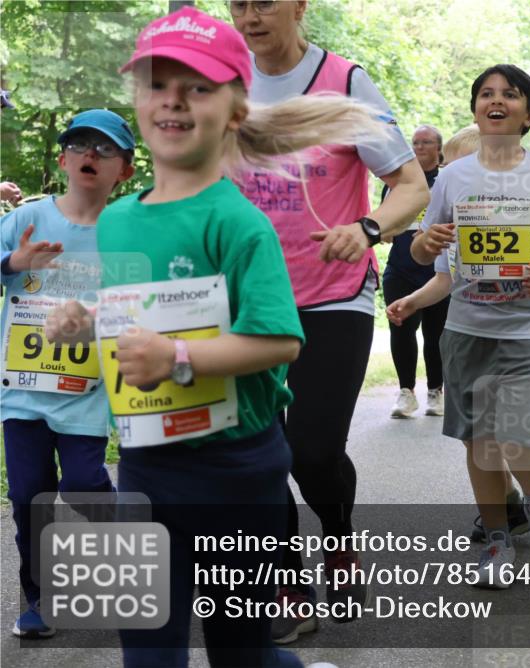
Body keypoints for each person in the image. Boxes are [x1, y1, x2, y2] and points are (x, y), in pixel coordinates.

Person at [45, 7, 382, 666]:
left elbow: (280, 342)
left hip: (236, 471)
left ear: (234, 109)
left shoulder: (239, 223)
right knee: (147, 649)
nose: (172, 99)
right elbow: (127, 319)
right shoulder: (115, 221)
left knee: (242, 653)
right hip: (143, 463)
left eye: (196, 85)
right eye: (154, 83)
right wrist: (83, 324)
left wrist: (176, 357)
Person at [228, 0, 430, 641]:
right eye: (238, 2)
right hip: (245, 302)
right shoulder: (222, 79)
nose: (251, 15)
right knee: (256, 458)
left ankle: (339, 542)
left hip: (332, 296)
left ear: (298, 6)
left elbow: (411, 183)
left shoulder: (343, 82)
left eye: (264, 1)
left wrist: (368, 227)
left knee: (311, 453)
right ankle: (286, 583)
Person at [407, 64, 530, 587]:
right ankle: (495, 542)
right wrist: (426, 244)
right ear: (475, 110)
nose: (496, 101)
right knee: (480, 442)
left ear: (527, 113)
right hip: (468, 326)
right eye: (486, 94)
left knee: (513, 435)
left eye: (509, 95)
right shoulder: (452, 177)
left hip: (529, 326)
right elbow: (430, 249)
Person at [1, 109, 135, 639]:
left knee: (83, 484)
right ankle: (38, 597)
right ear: (62, 159)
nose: (90, 156)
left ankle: (129, 545)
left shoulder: (126, 229)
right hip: (22, 391)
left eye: (104, 150)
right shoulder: (27, 218)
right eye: (79, 146)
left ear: (123, 170)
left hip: (85, 391)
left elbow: (138, 304)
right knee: (29, 494)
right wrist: (15, 263)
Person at [382, 125, 449, 418]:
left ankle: (436, 391)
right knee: (401, 328)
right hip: (400, 268)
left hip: (436, 269)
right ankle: (406, 393)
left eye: (426, 143)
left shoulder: (448, 180)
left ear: (438, 149)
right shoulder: (399, 183)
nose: (419, 148)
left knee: (435, 335)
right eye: (415, 143)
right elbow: (386, 223)